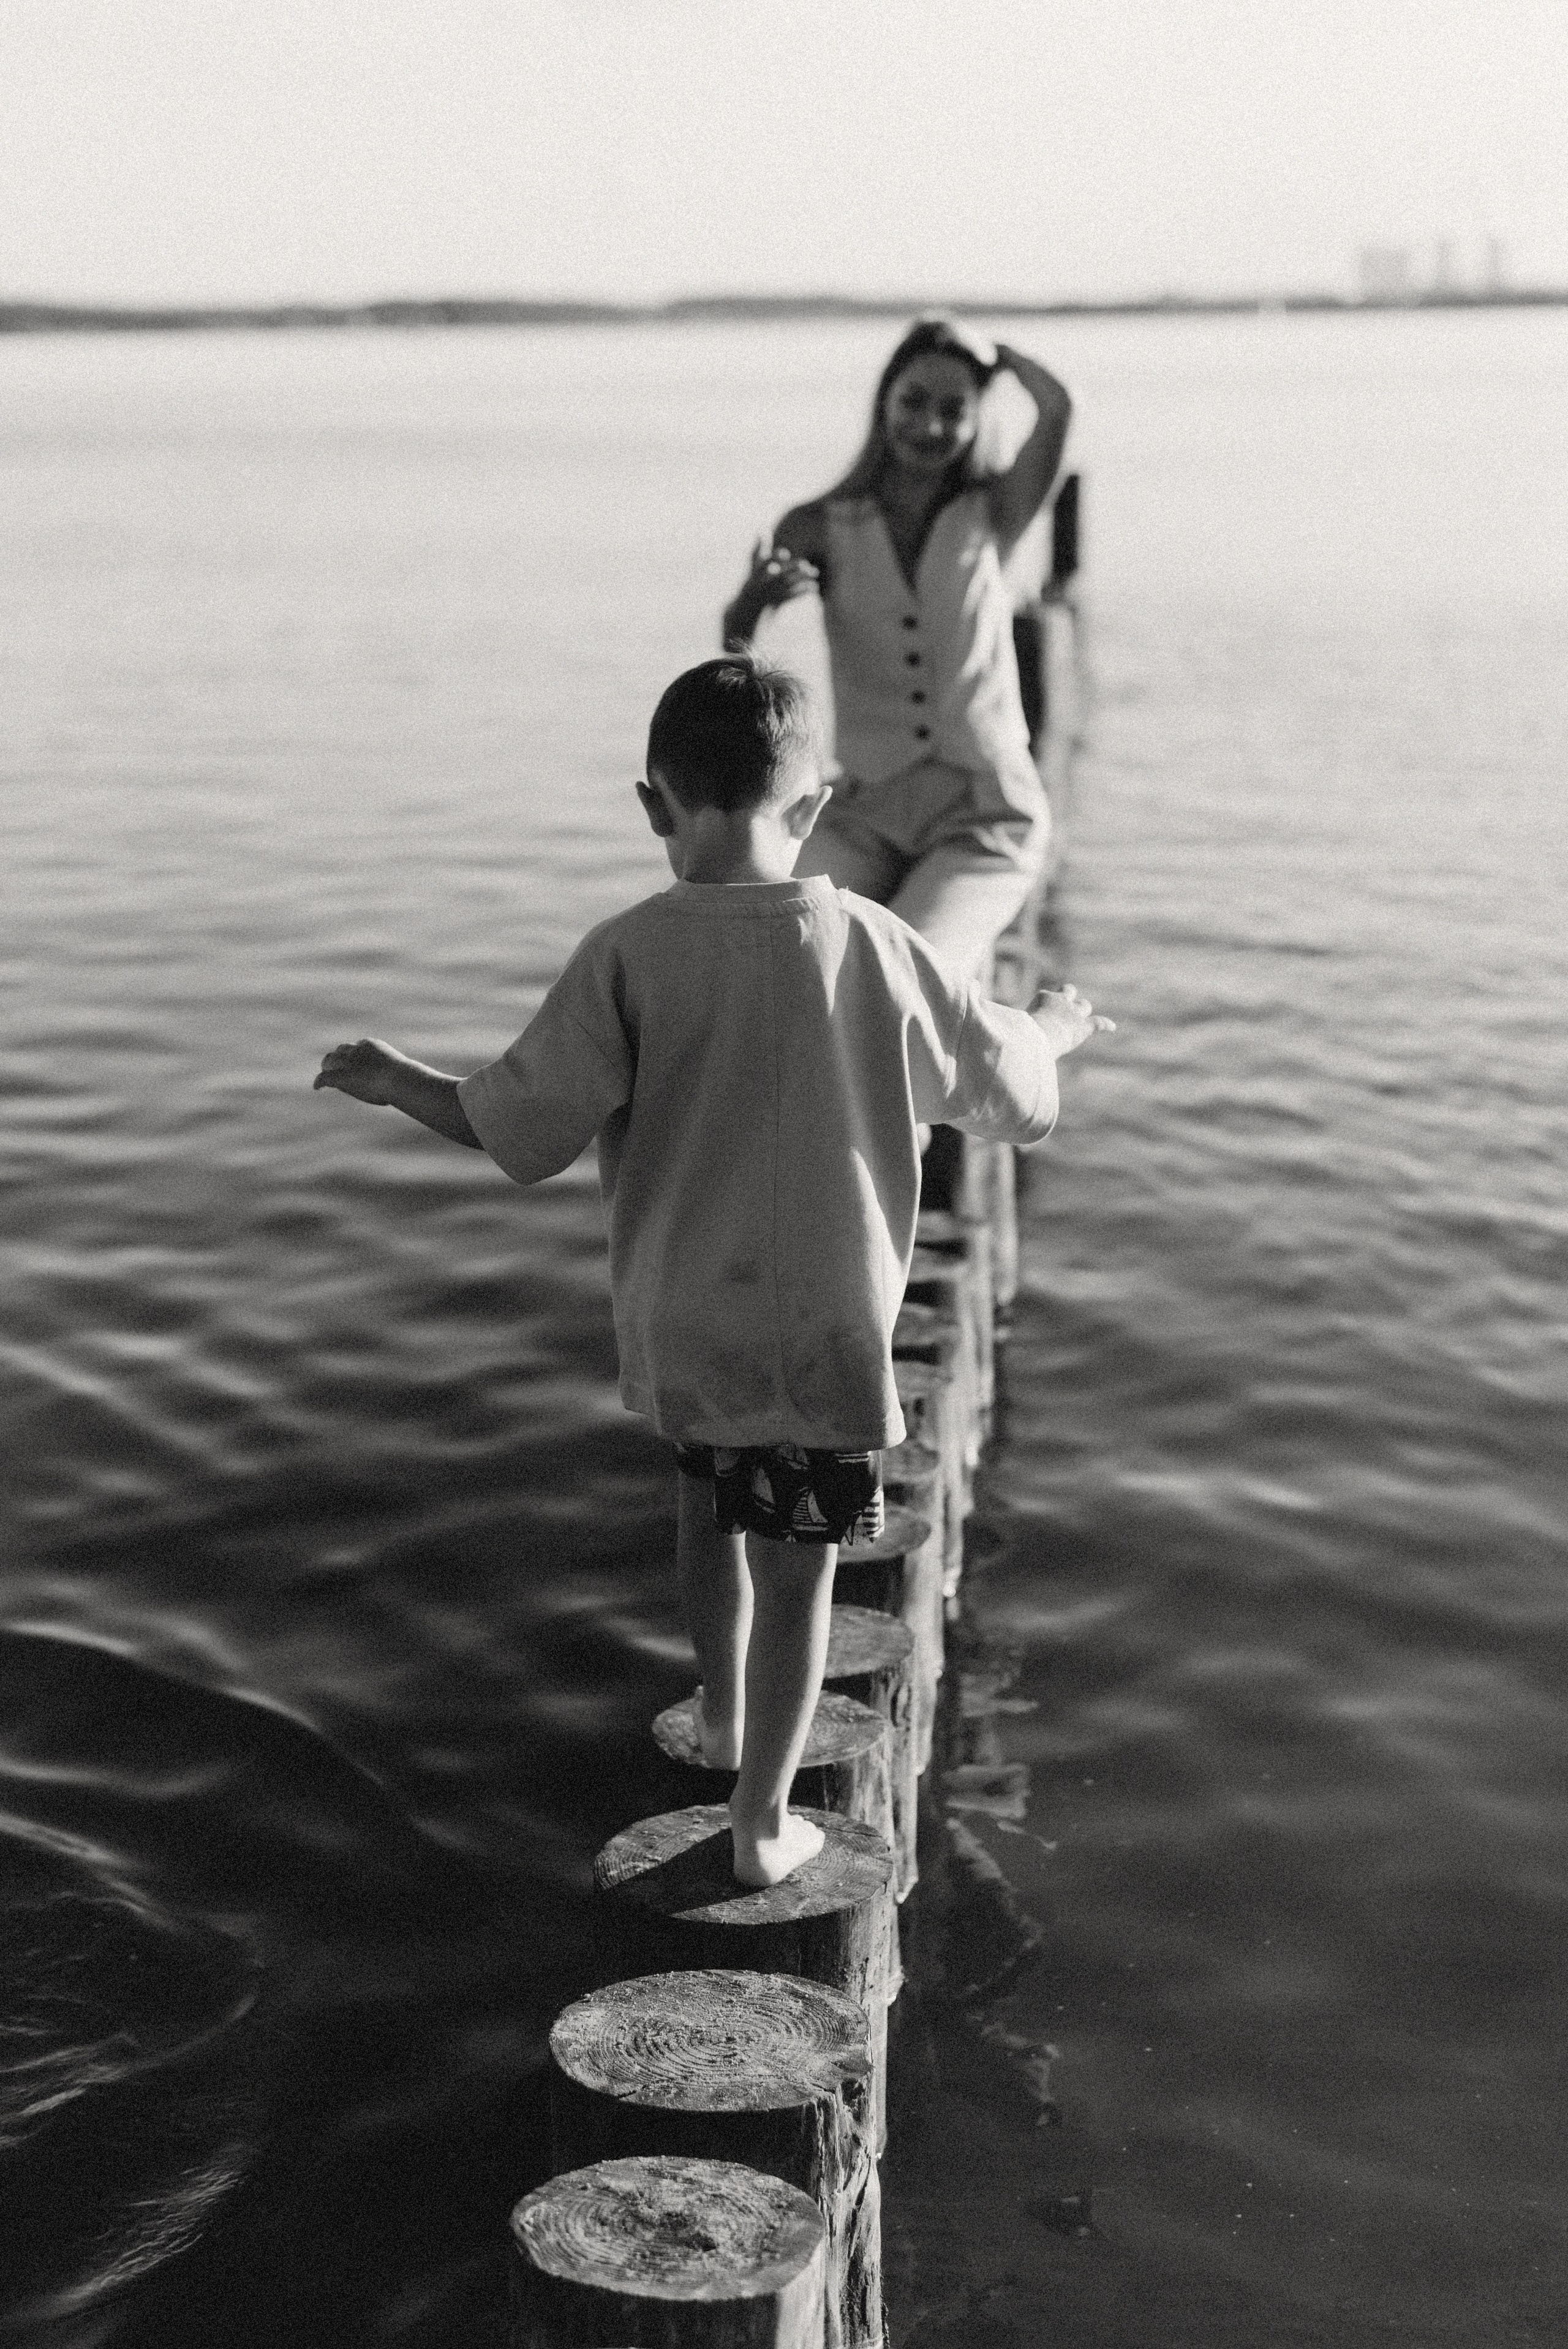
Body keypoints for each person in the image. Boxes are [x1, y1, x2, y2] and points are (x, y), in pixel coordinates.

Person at [314, 655, 1109, 1888]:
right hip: (820, 1336)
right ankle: (761, 1820)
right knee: (801, 1581)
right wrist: (1053, 1028)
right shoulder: (875, 942)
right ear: (818, 805)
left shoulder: (626, 953)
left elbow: (515, 1128)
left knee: (705, 1511)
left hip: (685, 1327)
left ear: (652, 805)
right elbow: (1002, 1088)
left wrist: (395, 1077)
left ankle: (721, 1712)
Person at [722, 316, 1072, 980]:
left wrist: (993, 355)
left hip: (984, 815)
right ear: (884, 399)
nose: (930, 426)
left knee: (904, 970)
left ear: (975, 419)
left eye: (953, 409)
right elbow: (739, 669)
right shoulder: (819, 525)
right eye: (914, 400)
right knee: (766, 946)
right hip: (864, 811)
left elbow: (1057, 406)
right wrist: (751, 606)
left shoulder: (995, 512)